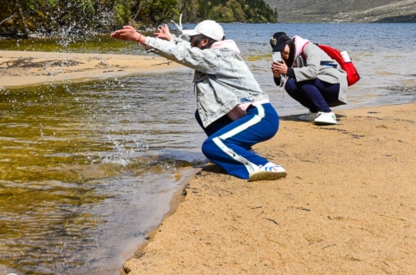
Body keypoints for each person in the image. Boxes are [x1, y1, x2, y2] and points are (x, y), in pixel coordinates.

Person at [111, 20, 287, 182]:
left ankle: (263, 165)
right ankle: (242, 152)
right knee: (203, 113)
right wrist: (171, 39)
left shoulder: (219, 57)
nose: (190, 41)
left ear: (204, 42)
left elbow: (187, 54)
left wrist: (141, 38)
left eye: (193, 38)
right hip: (250, 117)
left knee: (212, 146)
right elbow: (190, 51)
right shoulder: (214, 54)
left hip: (262, 118)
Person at [270, 32, 347, 125]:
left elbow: (312, 72)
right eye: (278, 51)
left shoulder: (308, 47)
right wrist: (276, 75)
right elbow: (283, 82)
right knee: (289, 84)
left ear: (289, 43)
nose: (282, 53)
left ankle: (326, 112)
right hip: (320, 86)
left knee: (301, 79)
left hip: (335, 85)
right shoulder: (288, 57)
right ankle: (315, 111)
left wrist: (288, 71)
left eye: (282, 48)